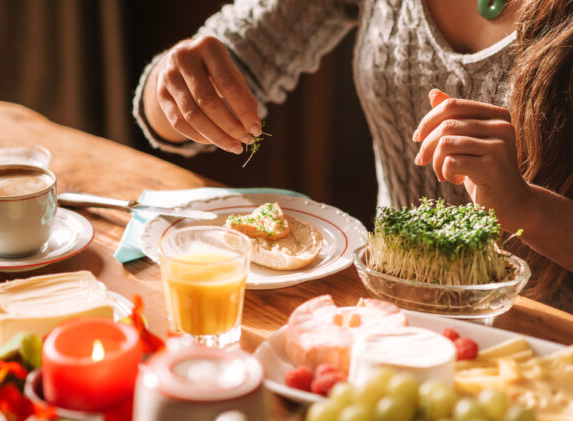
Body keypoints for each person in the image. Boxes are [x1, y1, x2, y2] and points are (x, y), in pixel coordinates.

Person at [132, 0, 573, 312]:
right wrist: (175, 85)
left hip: (546, 337)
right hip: (394, 306)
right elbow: (190, 97)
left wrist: (528, 210)